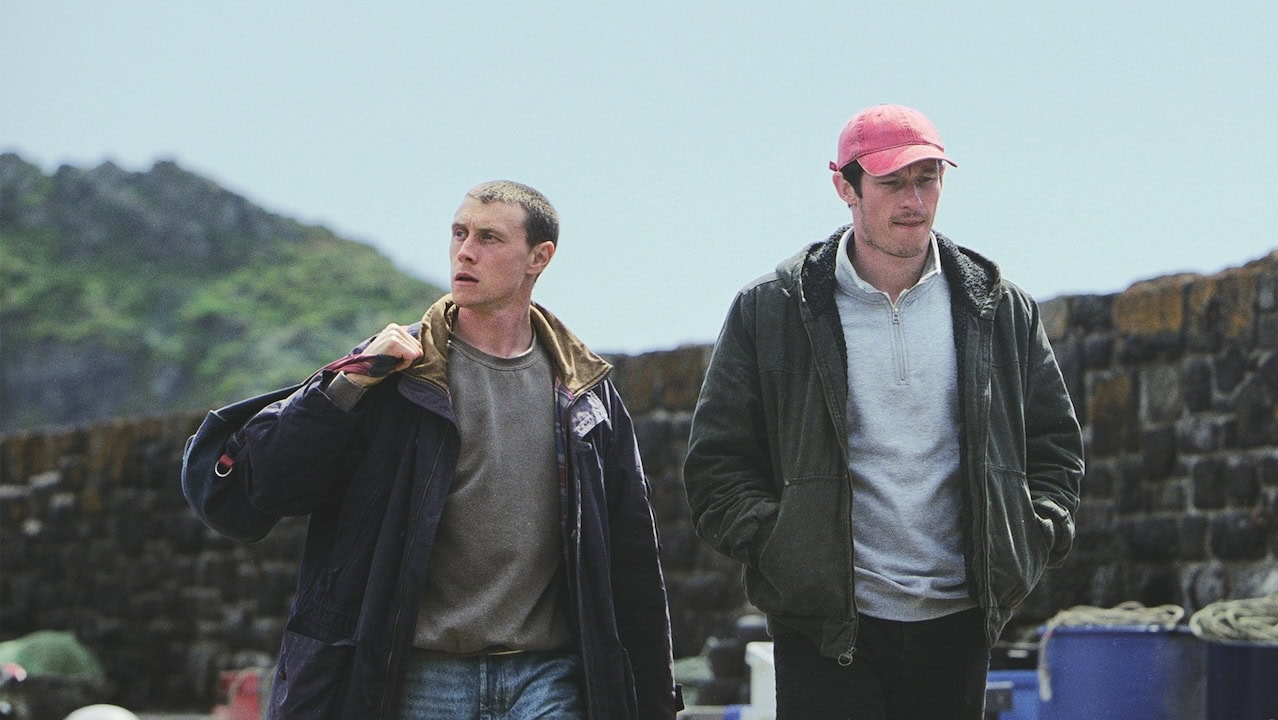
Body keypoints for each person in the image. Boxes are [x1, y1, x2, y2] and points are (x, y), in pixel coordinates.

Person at [205, 181, 681, 719]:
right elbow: (265, 484)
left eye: (489, 238)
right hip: (420, 675)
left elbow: (632, 558)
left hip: (547, 676)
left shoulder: (586, 393)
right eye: (459, 233)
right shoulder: (392, 371)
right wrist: (348, 381)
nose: (465, 251)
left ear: (539, 257)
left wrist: (655, 701)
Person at [682, 104, 1084, 719]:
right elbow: (717, 465)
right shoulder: (773, 308)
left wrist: (1034, 535)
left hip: (959, 623)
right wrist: (784, 549)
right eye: (892, 182)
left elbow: (1057, 447)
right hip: (824, 627)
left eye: (928, 179)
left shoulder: (999, 308)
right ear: (845, 186)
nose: (913, 200)